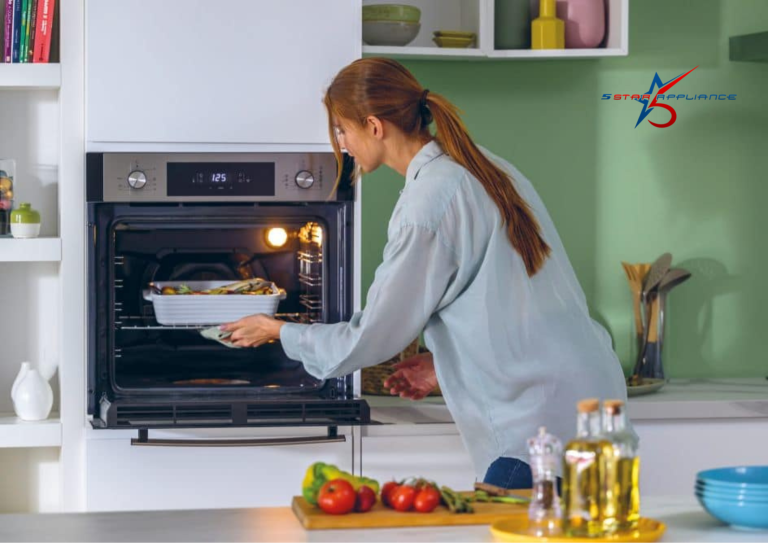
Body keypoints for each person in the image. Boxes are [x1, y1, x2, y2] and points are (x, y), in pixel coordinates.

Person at [220, 58, 629, 489]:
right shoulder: (485, 167)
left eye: (342, 129)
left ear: (374, 126)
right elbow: (511, 295)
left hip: (533, 431)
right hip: (590, 409)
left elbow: (375, 334)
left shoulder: (429, 203)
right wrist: (445, 363)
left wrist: (277, 330)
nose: (342, 144)